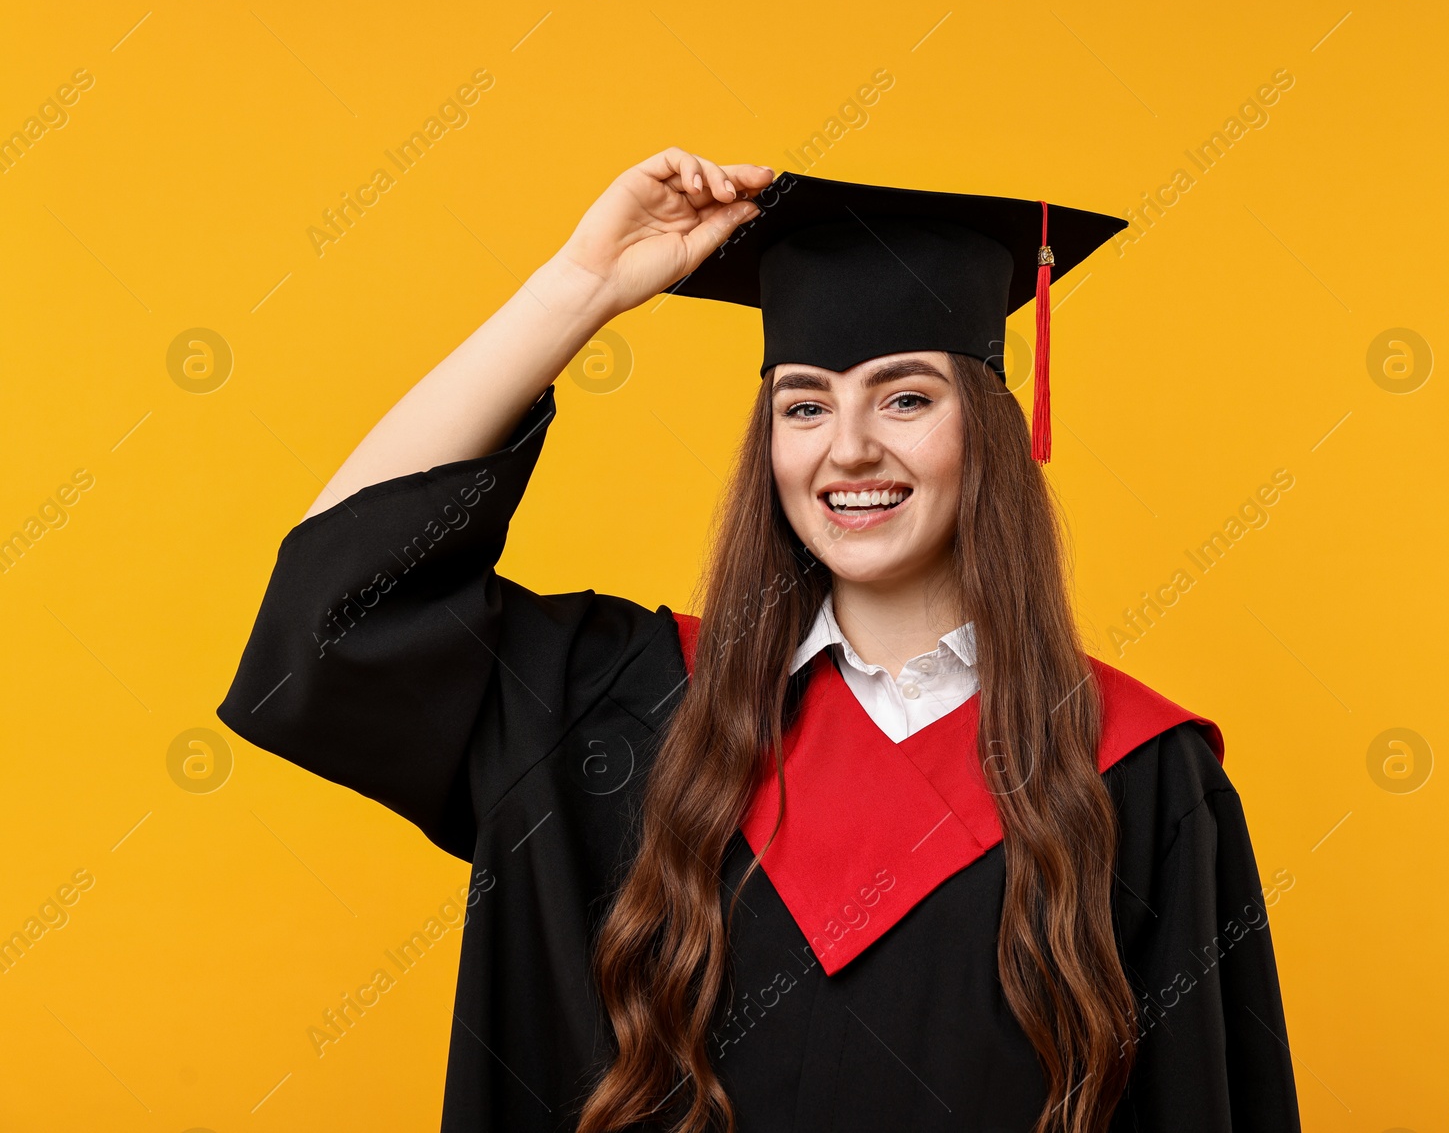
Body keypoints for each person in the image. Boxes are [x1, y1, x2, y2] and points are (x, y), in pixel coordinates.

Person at [218, 147, 1300, 1133]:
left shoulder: (1139, 776)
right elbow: (333, 610)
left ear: (994, 427)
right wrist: (578, 289)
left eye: (907, 397)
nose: (850, 449)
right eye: (803, 406)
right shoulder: (617, 705)